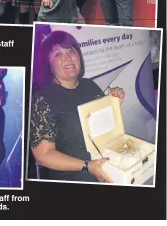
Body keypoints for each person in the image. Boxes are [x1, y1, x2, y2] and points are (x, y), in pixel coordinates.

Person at [30, 30, 125, 183]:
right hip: (75, 179)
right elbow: (43, 156)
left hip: (107, 169)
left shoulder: (90, 85)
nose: (67, 58)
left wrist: (114, 103)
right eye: (58, 54)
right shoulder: (43, 99)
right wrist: (88, 166)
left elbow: (105, 128)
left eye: (71, 51)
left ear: (79, 56)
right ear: (49, 63)